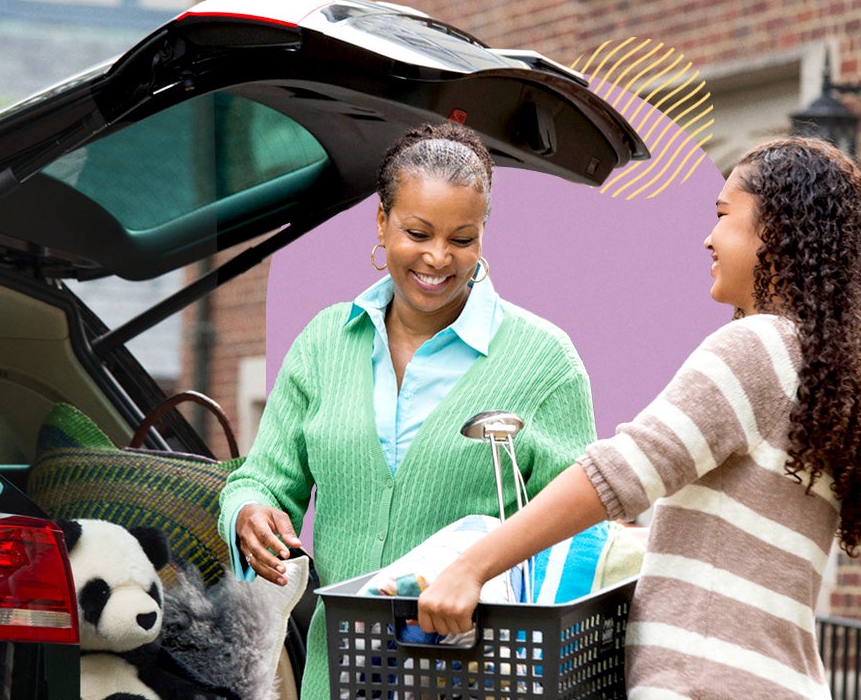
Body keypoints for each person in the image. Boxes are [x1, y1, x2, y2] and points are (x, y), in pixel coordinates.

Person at [417, 136, 861, 699]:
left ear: (777, 234)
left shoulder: (755, 348)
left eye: (723, 216)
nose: (708, 238)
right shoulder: (820, 372)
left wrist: (472, 567)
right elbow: (738, 547)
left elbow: (617, 474)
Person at [217, 122, 598, 699]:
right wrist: (249, 512)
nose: (438, 258)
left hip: (478, 682)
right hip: (337, 678)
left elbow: (581, 537)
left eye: (462, 239)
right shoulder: (325, 343)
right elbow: (264, 479)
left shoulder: (544, 361)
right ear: (381, 222)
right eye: (417, 232)